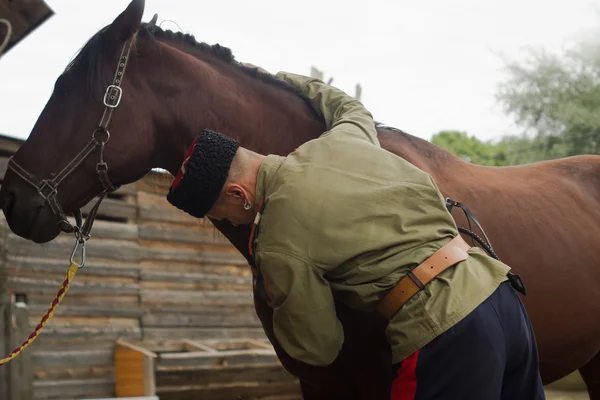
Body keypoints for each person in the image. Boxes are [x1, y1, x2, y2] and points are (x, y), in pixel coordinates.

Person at [166, 70, 545, 400]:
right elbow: (350, 107)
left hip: (445, 331)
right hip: (501, 294)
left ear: (238, 194)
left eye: (224, 216)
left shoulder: (277, 238)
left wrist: (274, 294)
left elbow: (318, 347)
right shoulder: (341, 140)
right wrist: (280, 78)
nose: (232, 223)